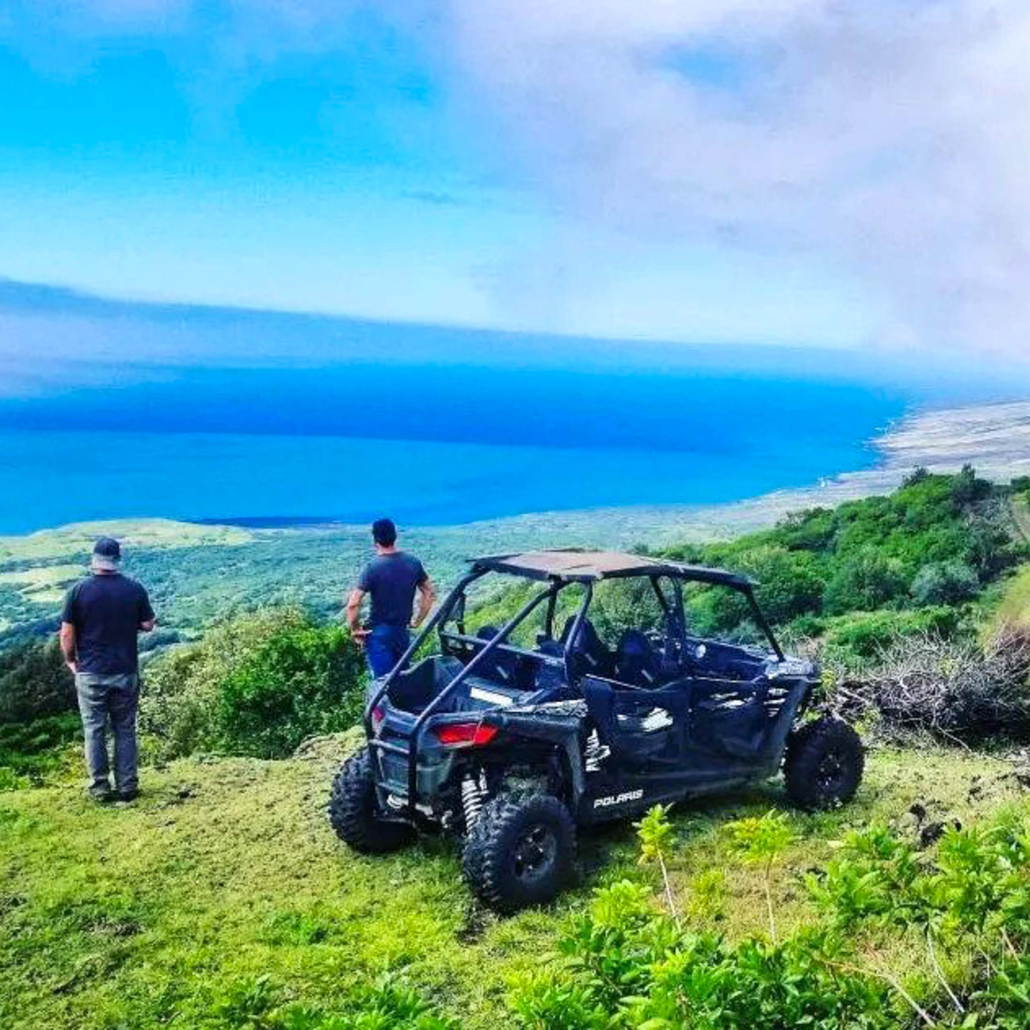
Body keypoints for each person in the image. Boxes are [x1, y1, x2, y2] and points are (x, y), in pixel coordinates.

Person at [59, 537, 155, 803]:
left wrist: (71, 661)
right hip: (125, 670)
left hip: (90, 671)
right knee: (125, 729)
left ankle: (100, 789)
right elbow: (148, 625)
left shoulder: (78, 591)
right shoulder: (134, 589)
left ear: (94, 559)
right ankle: (127, 786)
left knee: (94, 730)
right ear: (117, 560)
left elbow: (67, 634)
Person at [346, 518, 436, 678]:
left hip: (379, 634)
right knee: (404, 678)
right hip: (402, 632)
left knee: (382, 684)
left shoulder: (372, 567)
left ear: (375, 540)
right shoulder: (413, 563)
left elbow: (353, 604)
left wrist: (355, 629)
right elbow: (429, 592)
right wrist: (418, 620)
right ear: (395, 537)